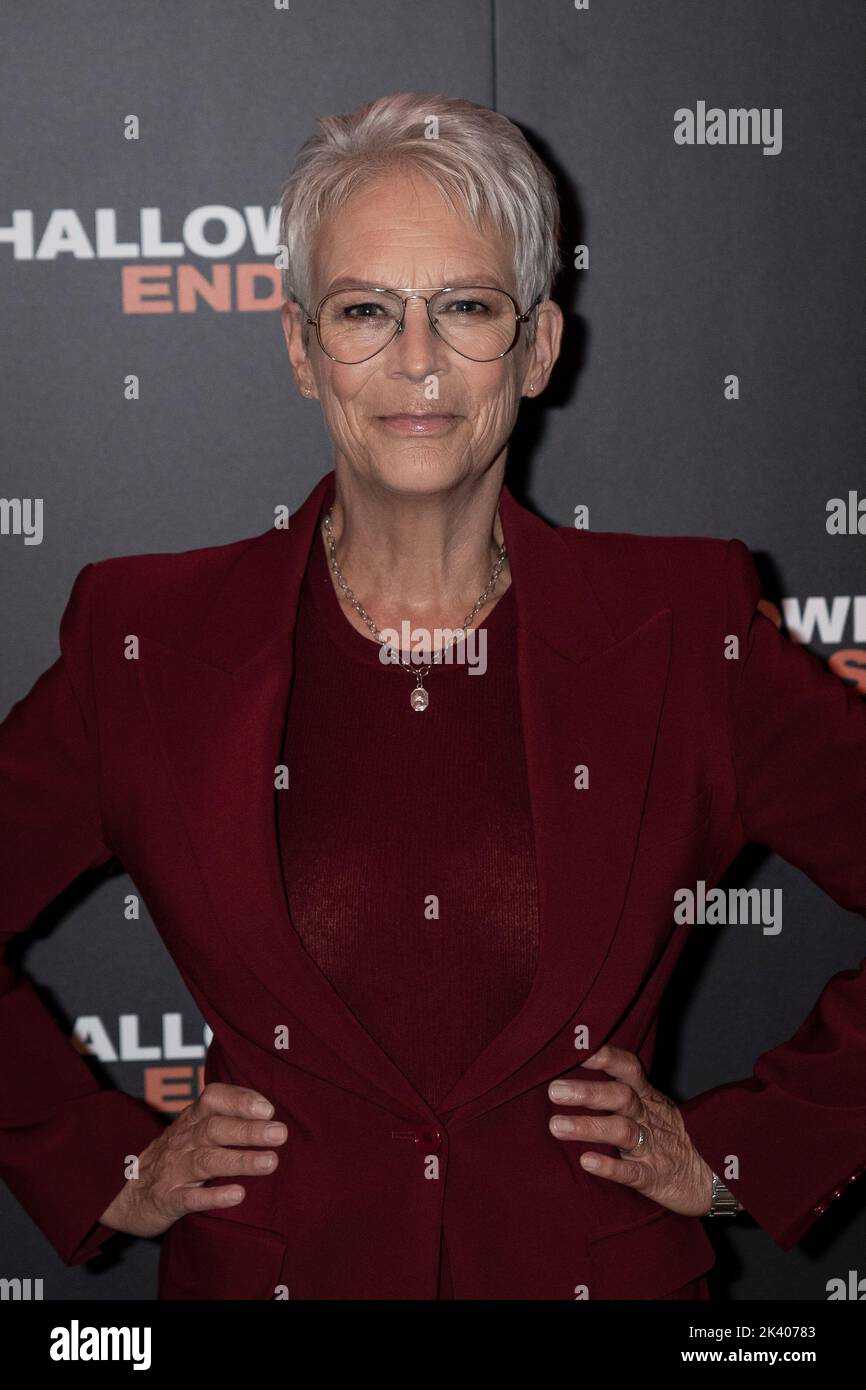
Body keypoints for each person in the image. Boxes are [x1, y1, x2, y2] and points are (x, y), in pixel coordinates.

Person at [2, 91, 865, 1301]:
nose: (416, 360)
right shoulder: (144, 638)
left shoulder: (684, 627)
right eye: (365, 311)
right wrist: (102, 1162)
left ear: (538, 346)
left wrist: (738, 1151)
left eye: (463, 307)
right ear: (301, 347)